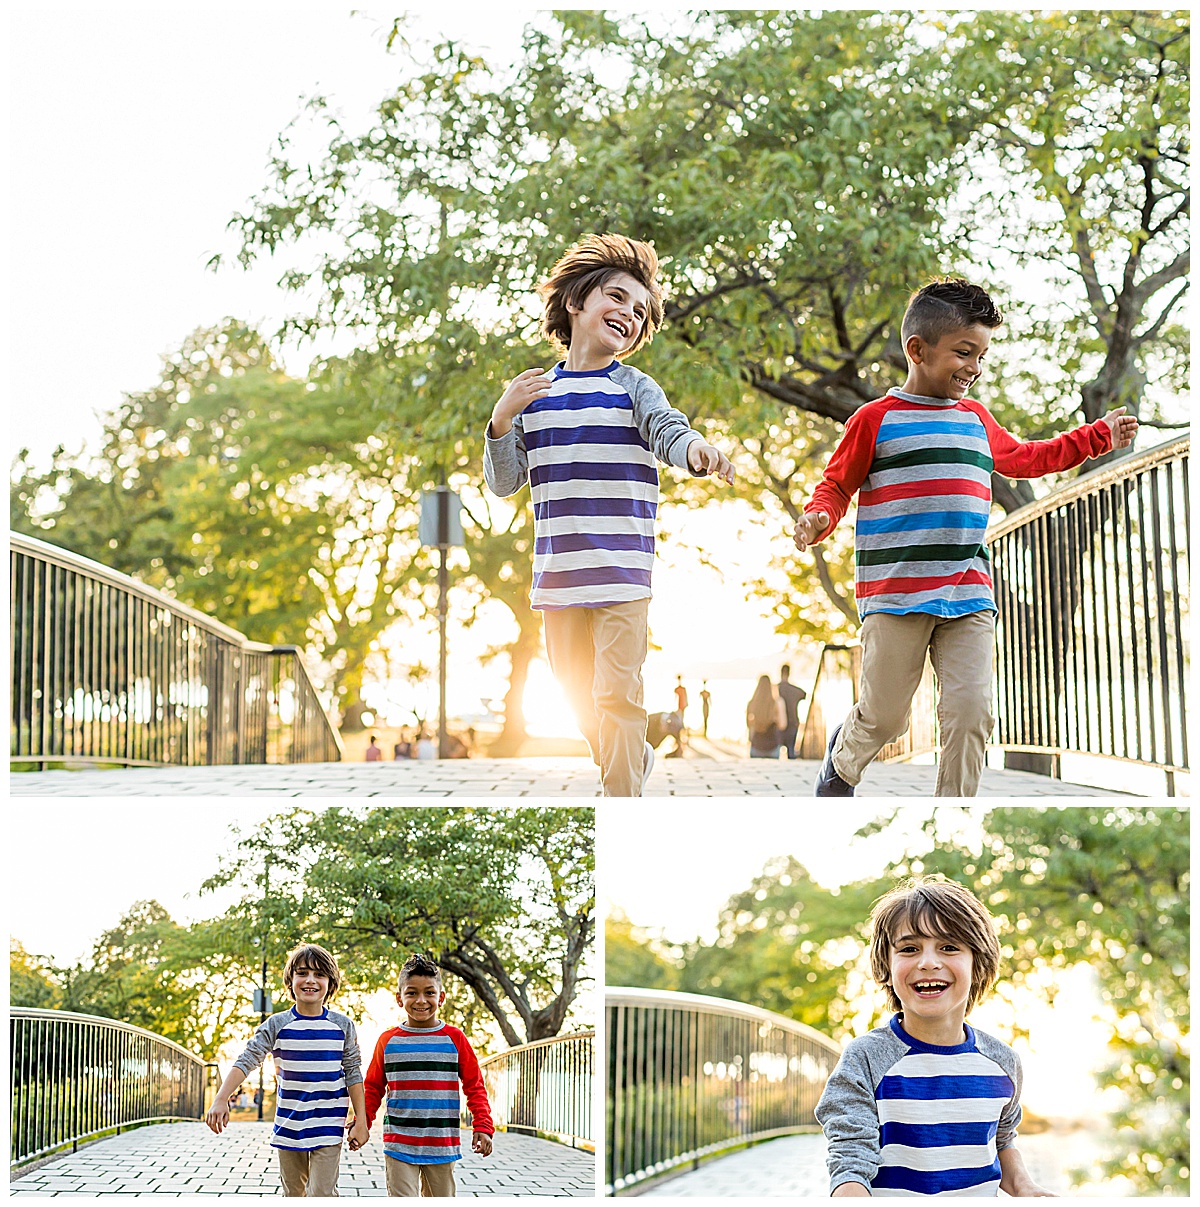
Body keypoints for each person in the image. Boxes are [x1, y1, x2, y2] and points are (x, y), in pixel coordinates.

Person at [794, 278, 1137, 797]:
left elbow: (1028, 458)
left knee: (972, 714)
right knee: (886, 719)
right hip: (896, 593)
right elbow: (837, 485)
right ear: (917, 349)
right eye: (963, 352)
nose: (973, 367)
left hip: (968, 590)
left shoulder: (976, 419)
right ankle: (842, 763)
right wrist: (819, 518)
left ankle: (953, 808)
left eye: (981, 355)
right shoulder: (875, 420)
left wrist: (1097, 436)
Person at [484, 233, 735, 796]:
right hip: (558, 579)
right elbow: (503, 482)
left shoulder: (634, 388)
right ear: (576, 302)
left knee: (617, 696)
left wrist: (694, 451)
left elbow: (666, 428)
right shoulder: (534, 394)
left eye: (639, 311)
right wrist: (501, 420)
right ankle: (632, 756)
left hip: (623, 573)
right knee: (577, 700)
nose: (627, 314)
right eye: (617, 298)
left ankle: (621, 797)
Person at [815, 876, 1051, 1197]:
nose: (928, 962)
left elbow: (1002, 1140)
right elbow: (850, 1160)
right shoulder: (866, 1059)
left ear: (978, 964)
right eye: (910, 948)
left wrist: (1026, 1187)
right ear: (887, 964)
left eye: (949, 947)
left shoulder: (1003, 1063)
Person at [205, 943, 367, 1197]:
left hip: (328, 1125)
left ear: (330, 982)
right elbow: (248, 1059)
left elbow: (353, 1073)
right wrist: (221, 1097)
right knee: (293, 1193)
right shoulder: (277, 1024)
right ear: (290, 980)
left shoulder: (342, 1026)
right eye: (302, 973)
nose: (310, 980)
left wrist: (362, 1120)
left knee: (322, 1194)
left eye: (319, 974)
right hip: (289, 1126)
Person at [357, 954, 494, 1197]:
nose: (421, 1000)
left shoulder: (455, 1039)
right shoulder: (388, 1041)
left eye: (429, 993)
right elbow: (373, 1088)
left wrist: (482, 1126)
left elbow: (475, 1086)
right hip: (399, 1143)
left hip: (441, 1144)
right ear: (400, 998)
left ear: (441, 997)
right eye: (412, 993)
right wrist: (362, 1123)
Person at [745, 674, 784, 758]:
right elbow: (782, 725)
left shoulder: (751, 703)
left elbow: (748, 725)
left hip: (756, 745)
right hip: (772, 746)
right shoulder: (776, 703)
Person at [776, 664, 807, 759]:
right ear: (789, 673)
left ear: (780, 673)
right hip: (793, 723)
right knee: (791, 751)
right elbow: (804, 694)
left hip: (778, 724)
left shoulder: (775, 689)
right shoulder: (795, 690)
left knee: (776, 750)